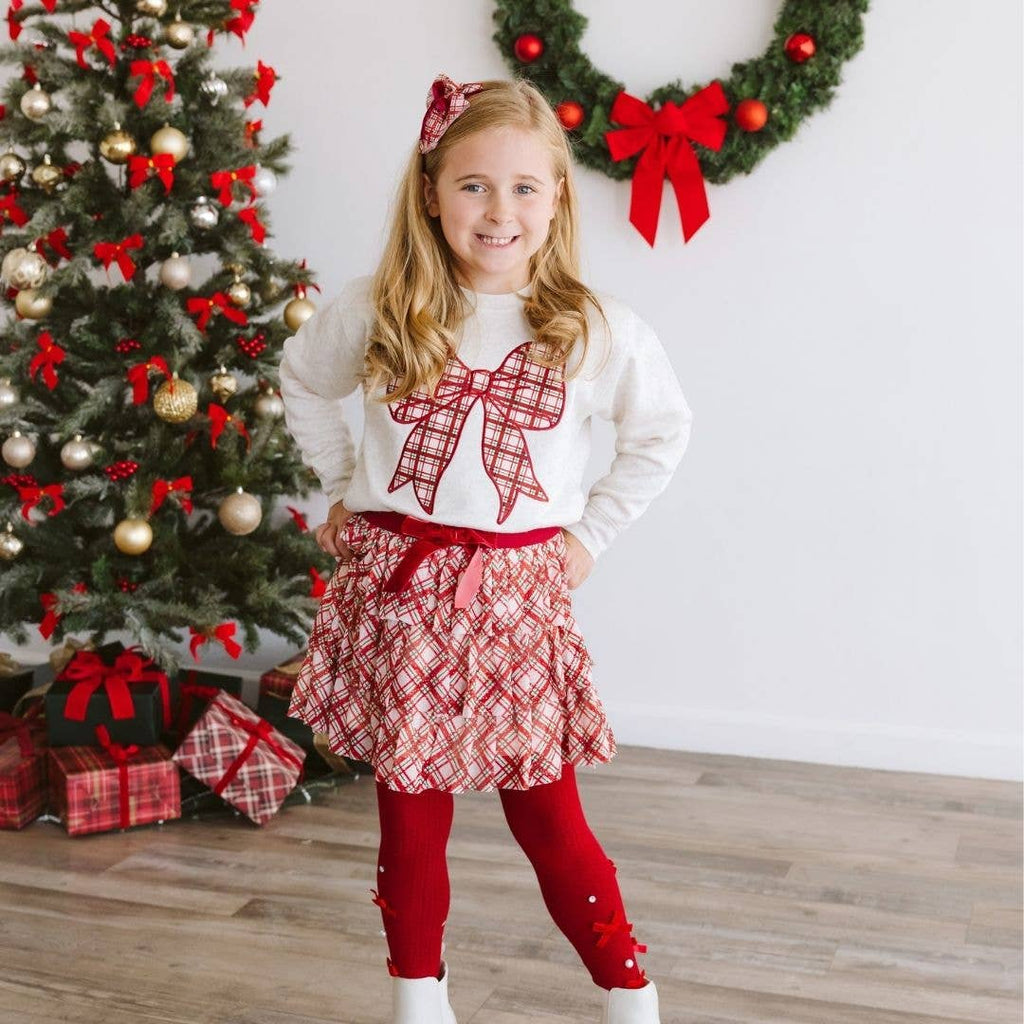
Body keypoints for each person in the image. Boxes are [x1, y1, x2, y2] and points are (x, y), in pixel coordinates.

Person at [278, 72, 693, 1024]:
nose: (498, 210)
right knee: (410, 819)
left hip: (514, 603)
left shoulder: (594, 329)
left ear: (555, 199)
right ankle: (418, 1001)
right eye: (473, 185)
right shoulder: (383, 307)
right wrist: (343, 485)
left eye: (523, 187)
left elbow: (661, 434)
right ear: (431, 191)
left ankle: (630, 993)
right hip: (399, 594)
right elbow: (304, 379)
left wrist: (588, 536)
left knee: (550, 818)